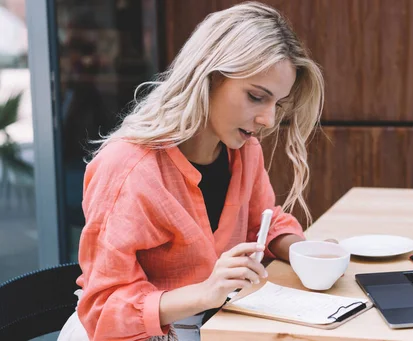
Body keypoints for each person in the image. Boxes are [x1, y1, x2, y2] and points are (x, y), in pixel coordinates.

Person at [57, 2, 324, 340]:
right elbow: (104, 310)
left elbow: (263, 223)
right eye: (257, 97)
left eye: (278, 104)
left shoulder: (243, 151)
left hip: (211, 328)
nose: (268, 120)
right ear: (208, 77)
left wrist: (304, 253)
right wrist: (205, 292)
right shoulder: (127, 169)